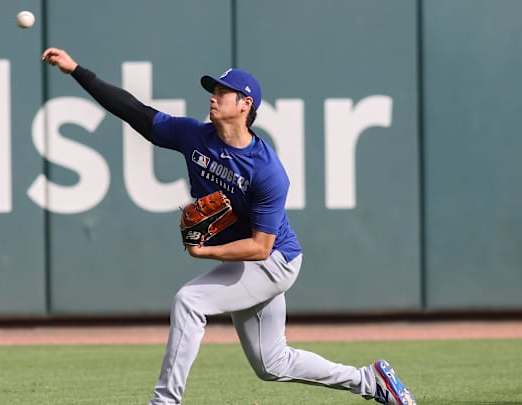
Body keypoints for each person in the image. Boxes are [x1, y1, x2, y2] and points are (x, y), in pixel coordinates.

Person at [41, 47, 417, 405]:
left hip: (273, 262)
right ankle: (371, 381)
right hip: (246, 260)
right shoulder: (193, 136)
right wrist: (77, 71)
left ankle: (164, 401)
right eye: (214, 90)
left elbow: (260, 247)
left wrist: (207, 251)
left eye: (224, 92)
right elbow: (133, 111)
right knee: (272, 364)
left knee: (189, 301)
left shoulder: (267, 170)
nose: (214, 96)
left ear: (245, 104)